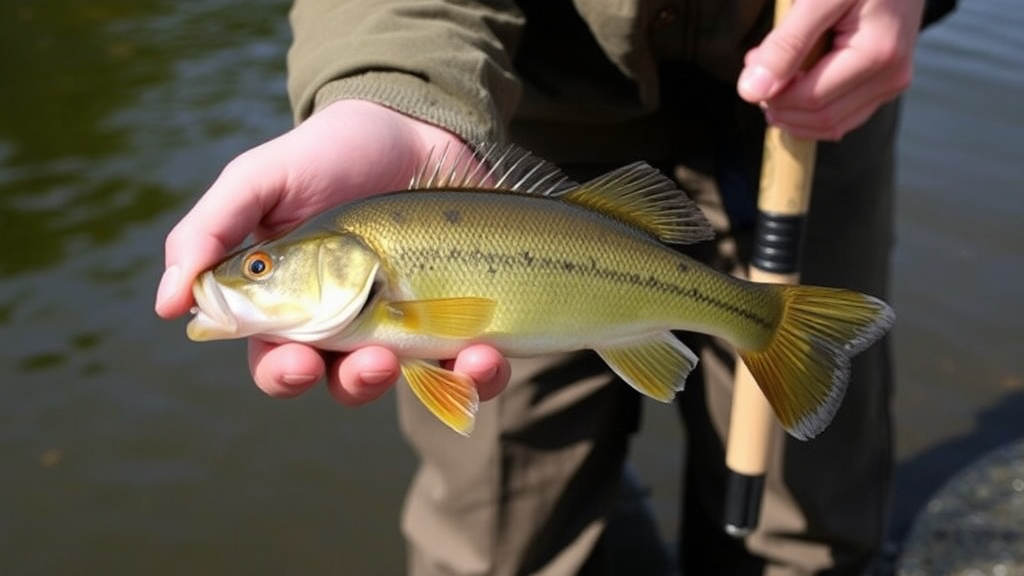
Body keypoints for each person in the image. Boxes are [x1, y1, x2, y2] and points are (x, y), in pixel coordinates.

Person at [155, 0, 950, 573]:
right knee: (498, 532)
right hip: (514, 104)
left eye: (260, 267)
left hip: (815, 87)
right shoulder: (383, 246)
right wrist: (388, 88)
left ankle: (769, 334)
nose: (248, 274)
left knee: (800, 521)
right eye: (259, 267)